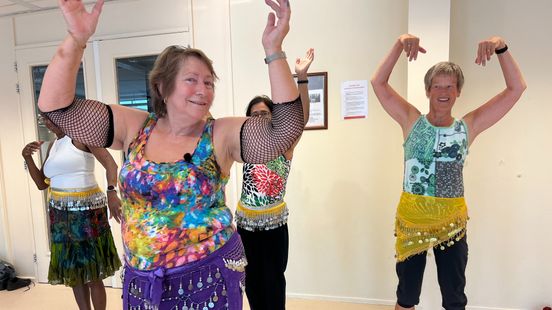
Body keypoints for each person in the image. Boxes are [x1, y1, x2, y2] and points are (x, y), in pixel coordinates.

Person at [38, 0, 304, 309]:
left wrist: (274, 50)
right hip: (143, 282)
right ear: (163, 86)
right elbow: (56, 107)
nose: (203, 89)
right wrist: (76, 37)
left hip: (207, 279)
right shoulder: (135, 127)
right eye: (191, 80)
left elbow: (286, 129)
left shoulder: (219, 133)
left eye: (208, 82)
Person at [371, 34, 526, 310]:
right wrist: (398, 44)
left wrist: (501, 46)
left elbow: (516, 89)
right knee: (406, 296)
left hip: (451, 222)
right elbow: (378, 83)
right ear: (428, 90)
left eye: (450, 86)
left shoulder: (468, 126)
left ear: (458, 92)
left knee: (454, 298)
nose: (444, 92)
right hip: (412, 221)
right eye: (437, 86)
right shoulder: (410, 120)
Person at [237, 48, 314, 310]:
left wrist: (301, 78)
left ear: (274, 117)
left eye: (265, 113)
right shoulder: (244, 145)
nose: (259, 118)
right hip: (245, 228)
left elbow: (300, 118)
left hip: (274, 229)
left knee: (273, 283)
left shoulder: (284, 146)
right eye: (254, 114)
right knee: (251, 283)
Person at [22, 115, 122, 310]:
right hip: (60, 215)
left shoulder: (81, 137)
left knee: (92, 273)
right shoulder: (53, 146)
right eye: (44, 119)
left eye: (50, 117)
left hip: (87, 212)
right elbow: (42, 184)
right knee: (74, 272)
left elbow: (111, 164)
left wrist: (112, 192)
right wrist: (27, 158)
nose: (47, 122)